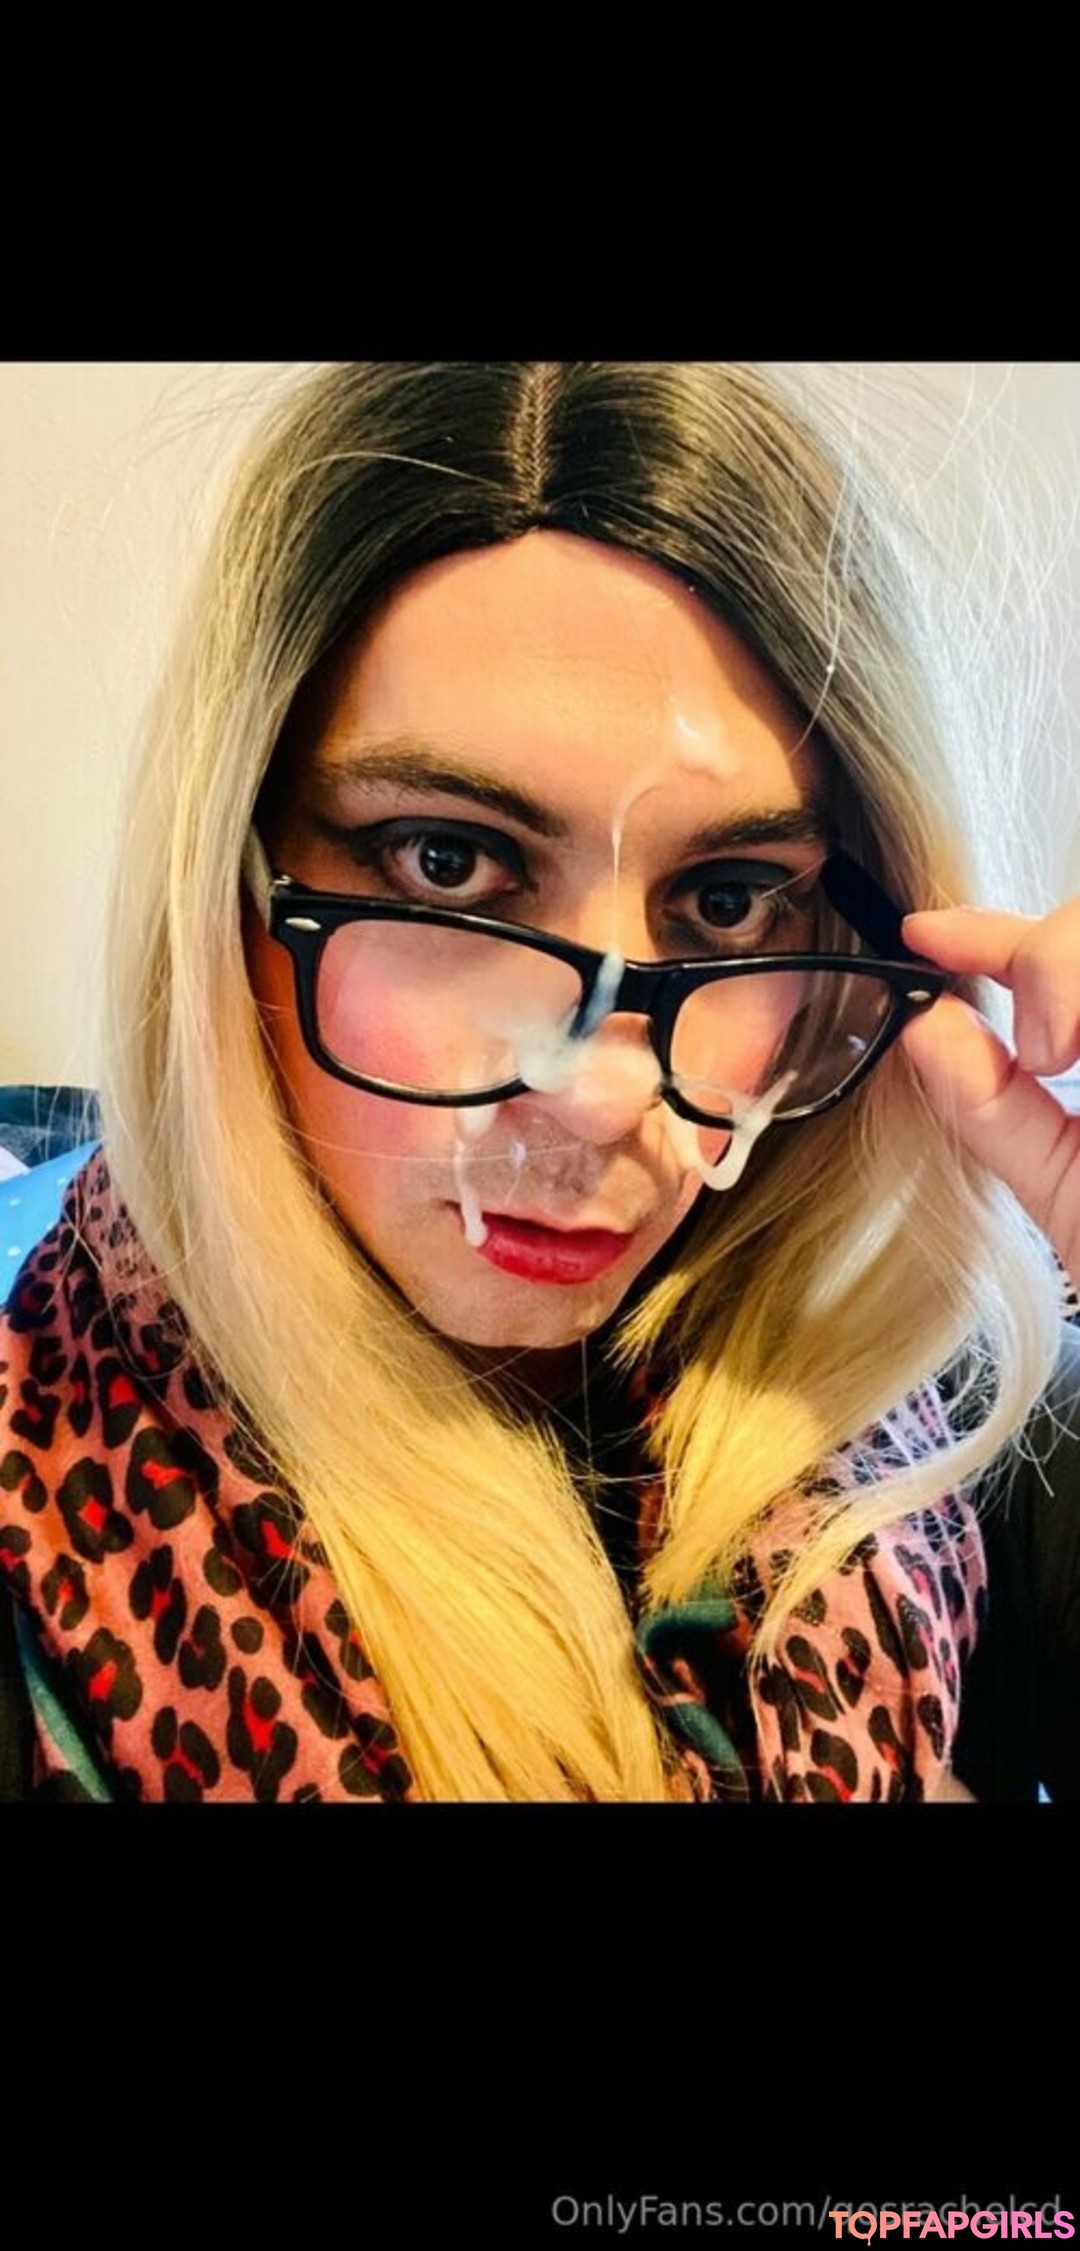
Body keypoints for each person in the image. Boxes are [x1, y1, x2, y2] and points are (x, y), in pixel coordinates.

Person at [1, 360, 1077, 1803]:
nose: (601, 1099)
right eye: (448, 864)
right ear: (225, 887)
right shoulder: (38, 1508)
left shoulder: (939, 1426)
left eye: (731, 898)